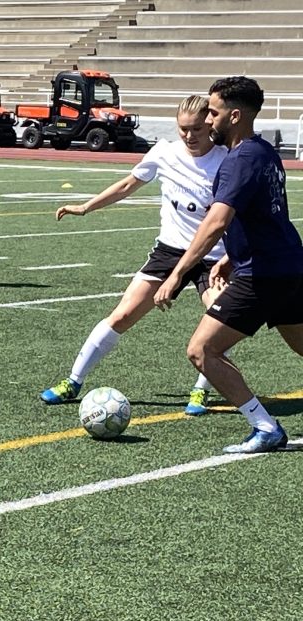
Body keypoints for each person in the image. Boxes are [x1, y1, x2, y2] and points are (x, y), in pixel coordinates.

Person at [40, 95, 229, 415]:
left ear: (209, 123)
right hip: (169, 251)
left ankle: (201, 390)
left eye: (196, 128)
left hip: (213, 255)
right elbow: (128, 184)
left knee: (219, 319)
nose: (189, 135)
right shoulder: (164, 153)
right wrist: (86, 207)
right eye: (183, 129)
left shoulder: (228, 160)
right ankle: (73, 380)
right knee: (122, 315)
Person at [154, 76, 303, 453]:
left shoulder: (240, 160)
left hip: (263, 276)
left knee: (202, 351)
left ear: (234, 116)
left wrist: (176, 274)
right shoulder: (264, 151)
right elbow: (265, 216)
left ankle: (264, 426)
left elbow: (216, 221)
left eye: (213, 111)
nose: (207, 119)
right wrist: (230, 260)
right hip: (287, 266)